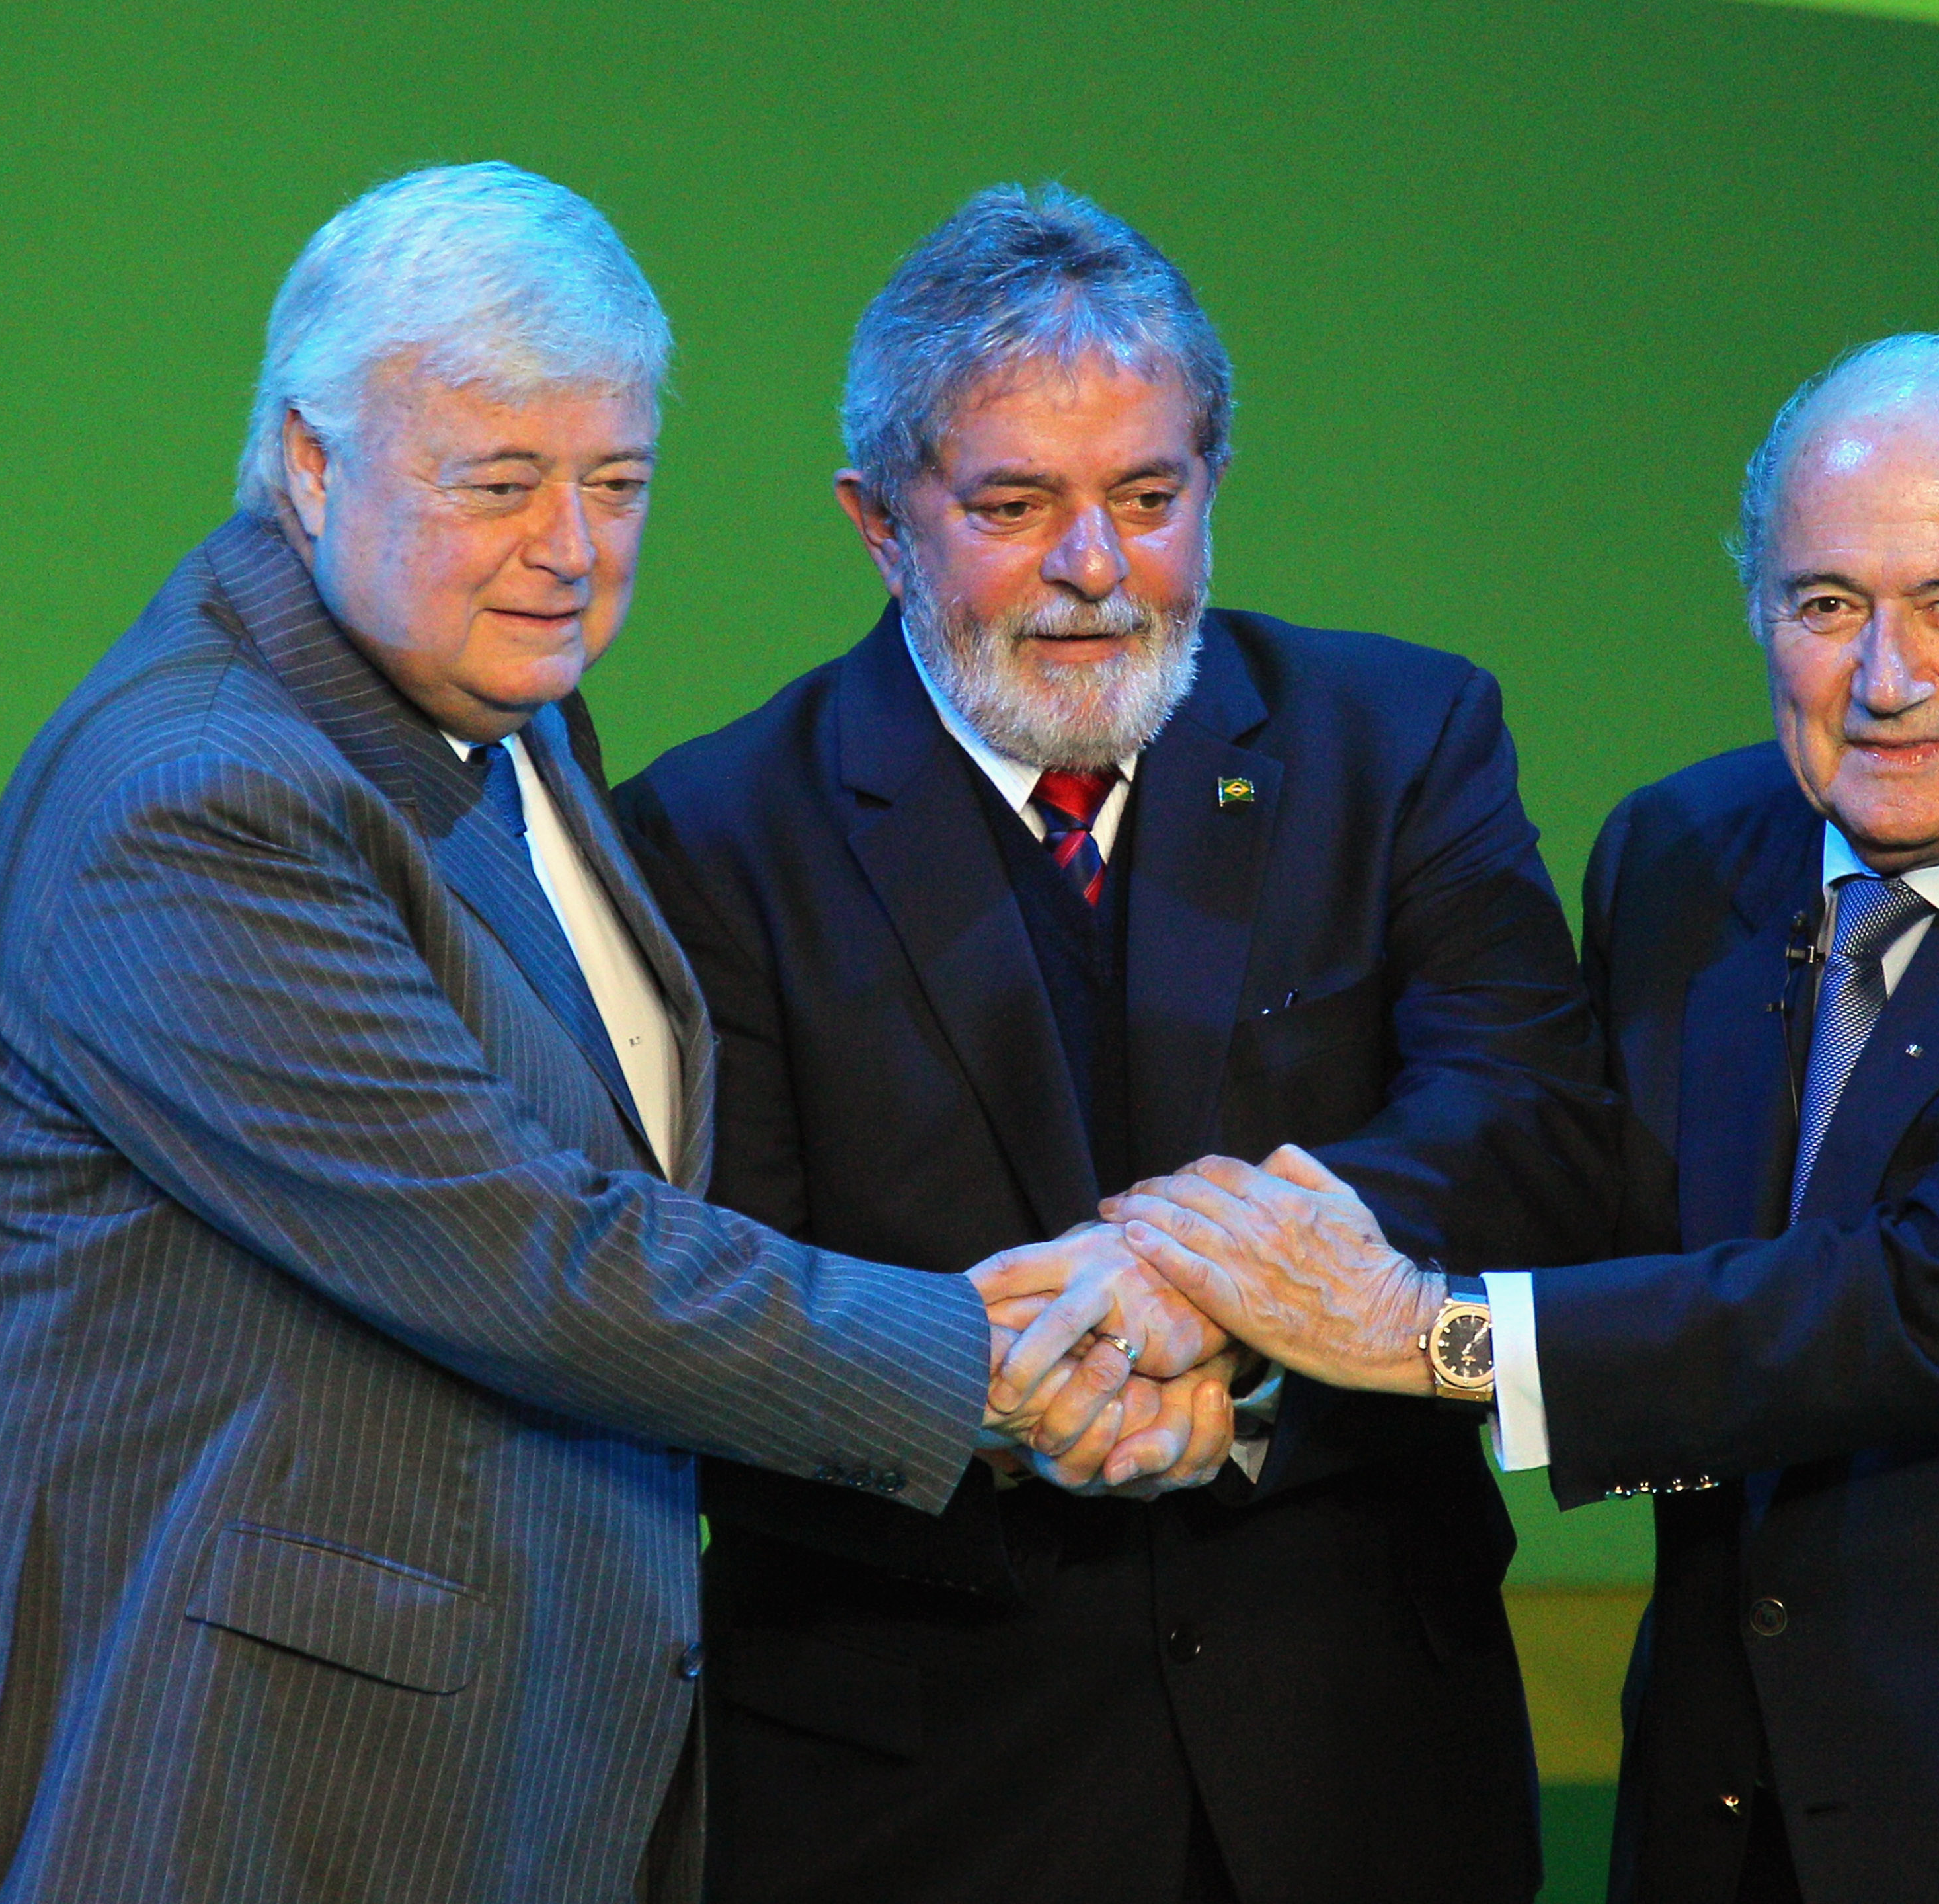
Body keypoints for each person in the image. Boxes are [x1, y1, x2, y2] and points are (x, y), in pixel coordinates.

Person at [0, 162, 1156, 1904]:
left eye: (617, 480)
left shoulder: (499, 718)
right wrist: (1000, 1359)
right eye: (502, 482)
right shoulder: (200, 790)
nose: (575, 548)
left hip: (471, 1779)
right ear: (312, 464)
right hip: (215, 1799)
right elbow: (529, 1255)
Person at [1111, 335, 1939, 1903]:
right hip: (1738, 1826)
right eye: (1826, 605)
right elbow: (1590, 1213)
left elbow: (1920, 1304)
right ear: (1757, 610)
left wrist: (1419, 1329)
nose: (1886, 679)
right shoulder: (1682, 854)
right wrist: (1220, 1337)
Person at [615, 184, 1618, 1902]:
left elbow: (1531, 1128)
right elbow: (702, 1302)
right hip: (916, 1814)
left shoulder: (1402, 741)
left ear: (1210, 491)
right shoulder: (708, 839)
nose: (1096, 571)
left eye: (1147, 501)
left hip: (1362, 1786)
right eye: (1018, 507)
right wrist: (1009, 1398)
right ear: (880, 523)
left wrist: (1211, 1305)